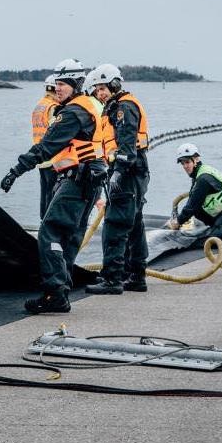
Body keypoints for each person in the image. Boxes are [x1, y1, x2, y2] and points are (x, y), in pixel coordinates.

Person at [0, 62, 107, 313]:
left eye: (62, 84)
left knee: (49, 231)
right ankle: (61, 289)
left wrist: (16, 170)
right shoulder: (93, 105)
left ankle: (54, 292)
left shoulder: (72, 112)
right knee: (70, 236)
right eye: (56, 84)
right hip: (91, 179)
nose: (57, 88)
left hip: (77, 178)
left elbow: (47, 146)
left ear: (75, 85)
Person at [85, 64, 150, 294]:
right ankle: (136, 276)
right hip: (134, 171)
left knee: (115, 224)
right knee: (134, 224)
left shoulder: (123, 107)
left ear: (114, 85)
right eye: (97, 90)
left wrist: (118, 172)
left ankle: (112, 279)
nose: (100, 94)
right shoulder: (119, 105)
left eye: (103, 88)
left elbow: (126, 144)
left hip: (127, 172)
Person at [31, 63, 78, 218]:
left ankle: (42, 221)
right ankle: (49, 223)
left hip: (40, 157)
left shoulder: (39, 106)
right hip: (51, 158)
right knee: (52, 194)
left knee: (44, 192)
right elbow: (56, 132)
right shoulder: (53, 107)